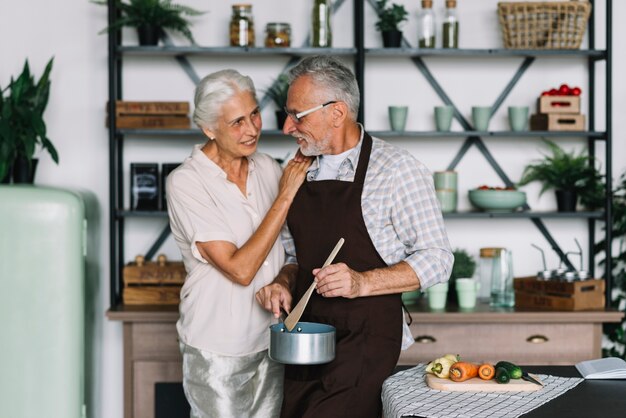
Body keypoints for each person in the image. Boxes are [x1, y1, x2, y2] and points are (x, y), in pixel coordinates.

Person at [256, 56, 453, 418]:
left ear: (337, 112)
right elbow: (294, 255)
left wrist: (361, 282)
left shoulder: (396, 169)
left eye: (298, 115)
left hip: (364, 338)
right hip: (305, 337)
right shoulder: (296, 168)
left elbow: (438, 258)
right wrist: (284, 281)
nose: (287, 127)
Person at [166, 69, 310, 418]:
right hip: (217, 348)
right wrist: (287, 194)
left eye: (254, 114)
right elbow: (240, 269)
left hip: (271, 340)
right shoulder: (186, 183)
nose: (252, 129)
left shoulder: (268, 167)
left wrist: (281, 281)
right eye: (236, 122)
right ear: (209, 129)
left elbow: (290, 251)